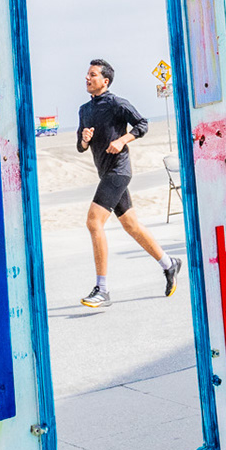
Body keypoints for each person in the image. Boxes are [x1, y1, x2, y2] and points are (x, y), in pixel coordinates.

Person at [76, 58, 181, 309]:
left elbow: (143, 124)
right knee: (131, 225)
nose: (87, 78)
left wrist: (123, 140)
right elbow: (80, 148)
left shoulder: (116, 103)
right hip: (105, 173)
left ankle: (102, 289)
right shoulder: (84, 110)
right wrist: (84, 139)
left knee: (93, 222)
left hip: (119, 171)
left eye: (92, 75)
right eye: (87, 75)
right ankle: (169, 264)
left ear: (105, 80)